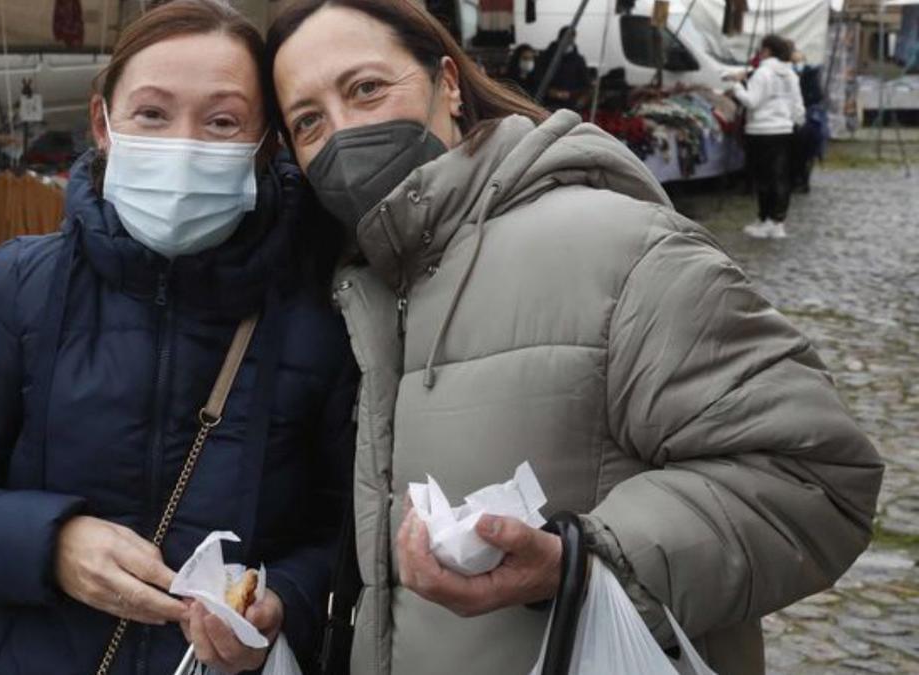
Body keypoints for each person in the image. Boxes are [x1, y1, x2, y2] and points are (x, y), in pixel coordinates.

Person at [266, 2, 882, 673]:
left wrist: (582, 562)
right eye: (308, 121)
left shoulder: (618, 251)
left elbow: (815, 478)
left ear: (447, 83)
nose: (344, 131)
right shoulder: (362, 291)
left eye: (366, 89)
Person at [0, 1, 358, 674]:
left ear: (264, 144)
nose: (183, 144)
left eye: (222, 121)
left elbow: (347, 526)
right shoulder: (17, 290)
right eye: (153, 114)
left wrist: (283, 602)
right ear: (104, 122)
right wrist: (52, 544)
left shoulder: (315, 311)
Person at [728, 34, 806, 240]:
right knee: (781, 176)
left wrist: (737, 86)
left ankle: (764, 219)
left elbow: (751, 101)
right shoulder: (790, 74)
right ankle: (777, 221)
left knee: (763, 177)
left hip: (761, 131)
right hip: (784, 129)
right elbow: (798, 106)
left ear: (767, 50)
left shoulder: (762, 73)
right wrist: (795, 123)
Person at [790, 48, 826, 193]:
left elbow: (817, 95)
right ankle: (797, 179)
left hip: (808, 116)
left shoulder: (811, 73)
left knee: (808, 150)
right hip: (795, 115)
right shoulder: (789, 73)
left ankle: (803, 180)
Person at [530, 26, 591, 110]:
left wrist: (574, 95)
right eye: (567, 38)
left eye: (572, 39)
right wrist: (549, 91)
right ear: (560, 38)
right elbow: (537, 78)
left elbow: (585, 84)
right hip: (547, 104)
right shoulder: (546, 57)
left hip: (570, 104)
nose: (570, 42)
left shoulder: (578, 60)